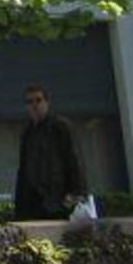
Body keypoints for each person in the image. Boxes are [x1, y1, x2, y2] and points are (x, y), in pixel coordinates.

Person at [13, 84, 88, 220]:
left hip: (57, 197)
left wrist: (77, 192)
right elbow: (23, 168)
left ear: (47, 102)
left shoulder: (60, 127)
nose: (35, 105)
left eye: (38, 100)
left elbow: (74, 159)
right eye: (30, 102)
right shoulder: (27, 132)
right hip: (32, 201)